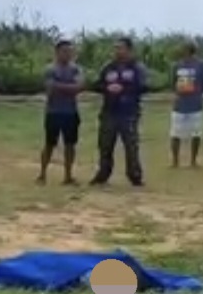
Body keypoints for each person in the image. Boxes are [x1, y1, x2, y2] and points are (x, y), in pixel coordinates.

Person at [89, 37, 148, 187]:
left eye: (120, 48)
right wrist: (106, 88)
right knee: (105, 145)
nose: (117, 51)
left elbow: (144, 86)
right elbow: (96, 84)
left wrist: (124, 89)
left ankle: (135, 176)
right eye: (115, 48)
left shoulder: (137, 68)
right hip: (109, 112)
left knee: (131, 146)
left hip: (129, 113)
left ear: (129, 50)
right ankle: (103, 174)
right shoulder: (108, 67)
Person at [37, 39, 85, 185]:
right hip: (53, 112)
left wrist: (60, 86)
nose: (68, 54)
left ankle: (68, 176)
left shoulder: (76, 69)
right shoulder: (50, 69)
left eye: (70, 51)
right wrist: (70, 88)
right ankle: (42, 174)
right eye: (65, 51)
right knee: (49, 144)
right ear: (57, 52)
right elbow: (50, 89)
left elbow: (80, 87)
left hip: (70, 113)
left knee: (70, 145)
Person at [169, 41, 203, 168]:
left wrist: (196, 92)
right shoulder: (177, 65)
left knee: (196, 133)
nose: (181, 50)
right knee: (175, 133)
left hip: (195, 104)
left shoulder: (201, 65)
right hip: (179, 105)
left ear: (189, 50)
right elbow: (172, 82)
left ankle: (193, 160)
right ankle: (175, 161)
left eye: (184, 48)